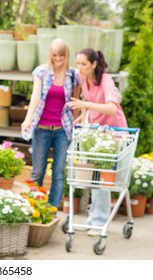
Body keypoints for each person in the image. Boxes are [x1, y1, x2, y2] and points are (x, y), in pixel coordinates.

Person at [66, 48, 127, 236]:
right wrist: (83, 115)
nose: (80, 68)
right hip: (97, 133)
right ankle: (94, 218)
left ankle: (100, 220)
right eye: (78, 64)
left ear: (94, 64)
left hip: (113, 134)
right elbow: (89, 100)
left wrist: (85, 106)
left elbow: (110, 108)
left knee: (103, 177)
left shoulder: (106, 81)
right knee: (92, 175)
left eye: (84, 64)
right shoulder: (85, 80)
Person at [21, 38, 76, 209]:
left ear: (66, 56)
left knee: (58, 173)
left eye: (61, 55)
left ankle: (51, 209)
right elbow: (36, 96)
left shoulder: (73, 75)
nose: (58, 59)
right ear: (50, 55)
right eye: (55, 55)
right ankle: (34, 206)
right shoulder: (41, 72)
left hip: (62, 130)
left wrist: (79, 123)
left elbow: (76, 101)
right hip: (42, 128)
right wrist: (28, 119)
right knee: (38, 171)